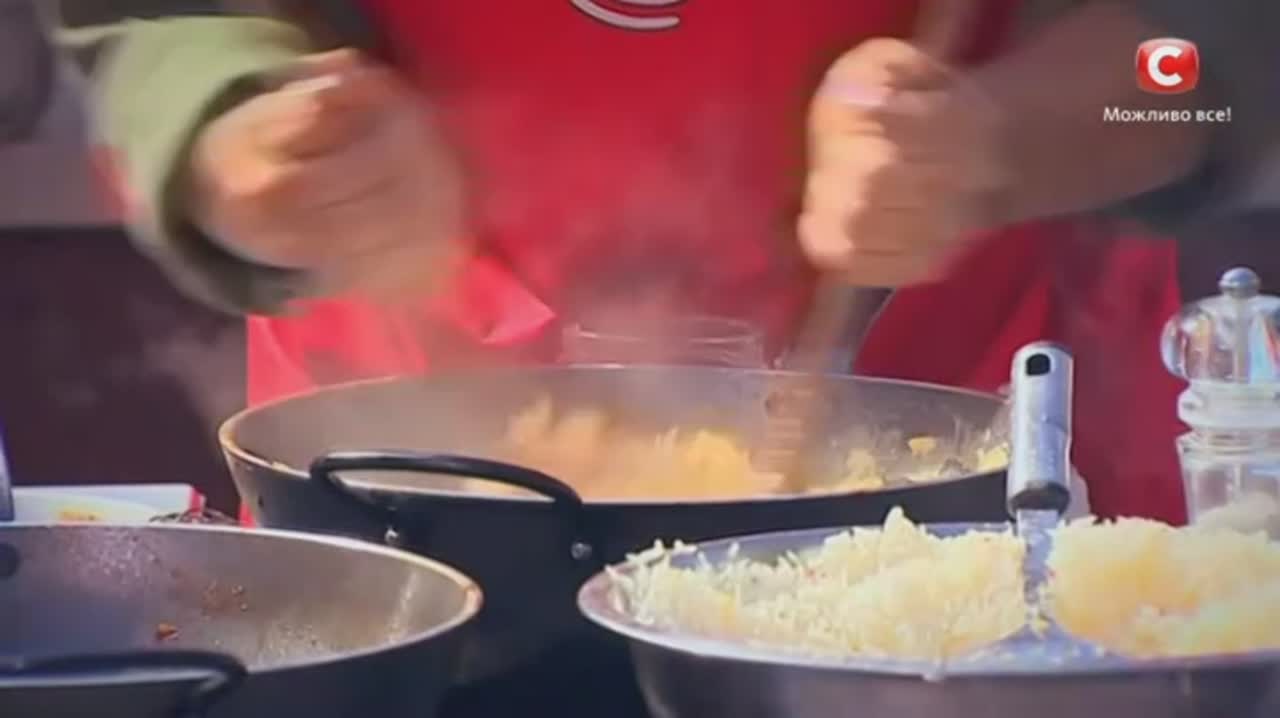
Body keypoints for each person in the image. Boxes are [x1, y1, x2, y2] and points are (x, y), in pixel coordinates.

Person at [57, 0, 1279, 532]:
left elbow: (1202, 54)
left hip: (971, 484)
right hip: (407, 493)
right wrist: (236, 126)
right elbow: (160, 15)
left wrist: (999, 137)